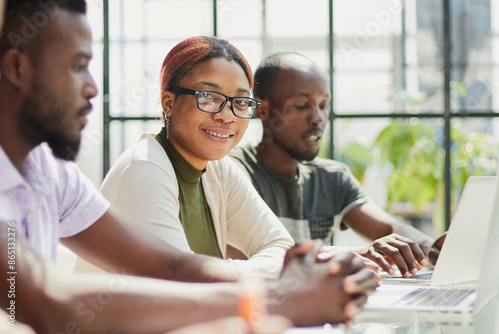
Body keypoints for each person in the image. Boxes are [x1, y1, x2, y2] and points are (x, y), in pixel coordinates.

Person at [0, 1, 377, 332]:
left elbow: (174, 266)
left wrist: (290, 285)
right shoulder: (143, 168)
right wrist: (277, 299)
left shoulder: (50, 174)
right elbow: (49, 304)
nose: (93, 88)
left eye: (239, 102)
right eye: (77, 66)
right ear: (16, 68)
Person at [229, 52, 446, 278]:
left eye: (323, 105)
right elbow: (252, 262)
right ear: (263, 110)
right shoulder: (233, 173)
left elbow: (390, 229)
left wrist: (432, 247)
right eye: (302, 105)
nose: (318, 118)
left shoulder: (332, 178)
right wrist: (355, 253)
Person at [94, 36, 294, 277]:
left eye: (240, 102)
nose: (227, 116)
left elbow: (282, 248)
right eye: (208, 97)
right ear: (169, 103)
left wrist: (220, 270)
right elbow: (180, 280)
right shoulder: (144, 169)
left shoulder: (221, 170)